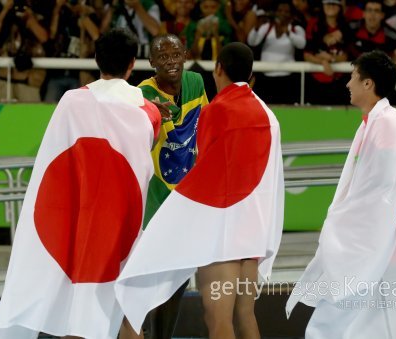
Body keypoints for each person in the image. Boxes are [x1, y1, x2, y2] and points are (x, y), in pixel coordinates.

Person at [0, 28, 161, 339]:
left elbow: (55, 157)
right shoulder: (148, 113)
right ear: (133, 64)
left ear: (96, 59)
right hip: (124, 224)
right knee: (126, 317)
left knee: (78, 310)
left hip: (81, 221)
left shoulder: (71, 101)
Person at [115, 42, 284, 339]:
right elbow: (271, 177)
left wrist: (181, 215)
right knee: (245, 316)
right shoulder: (268, 114)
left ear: (218, 69)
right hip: (253, 232)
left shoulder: (217, 110)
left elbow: (204, 170)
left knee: (217, 320)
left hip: (223, 234)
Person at [286, 50, 396, 338]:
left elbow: (381, 193)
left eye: (352, 77)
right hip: (367, 244)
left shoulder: (388, 122)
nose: (347, 84)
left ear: (368, 84)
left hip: (379, 246)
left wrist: (340, 226)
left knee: (354, 326)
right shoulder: (375, 121)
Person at [134, 33, 208, 339]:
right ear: (151, 63)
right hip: (153, 199)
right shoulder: (141, 94)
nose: (170, 63)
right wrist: (151, 116)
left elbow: (206, 125)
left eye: (175, 55)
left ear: (185, 55)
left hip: (188, 201)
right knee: (149, 278)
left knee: (179, 278)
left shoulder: (196, 84)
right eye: (162, 58)